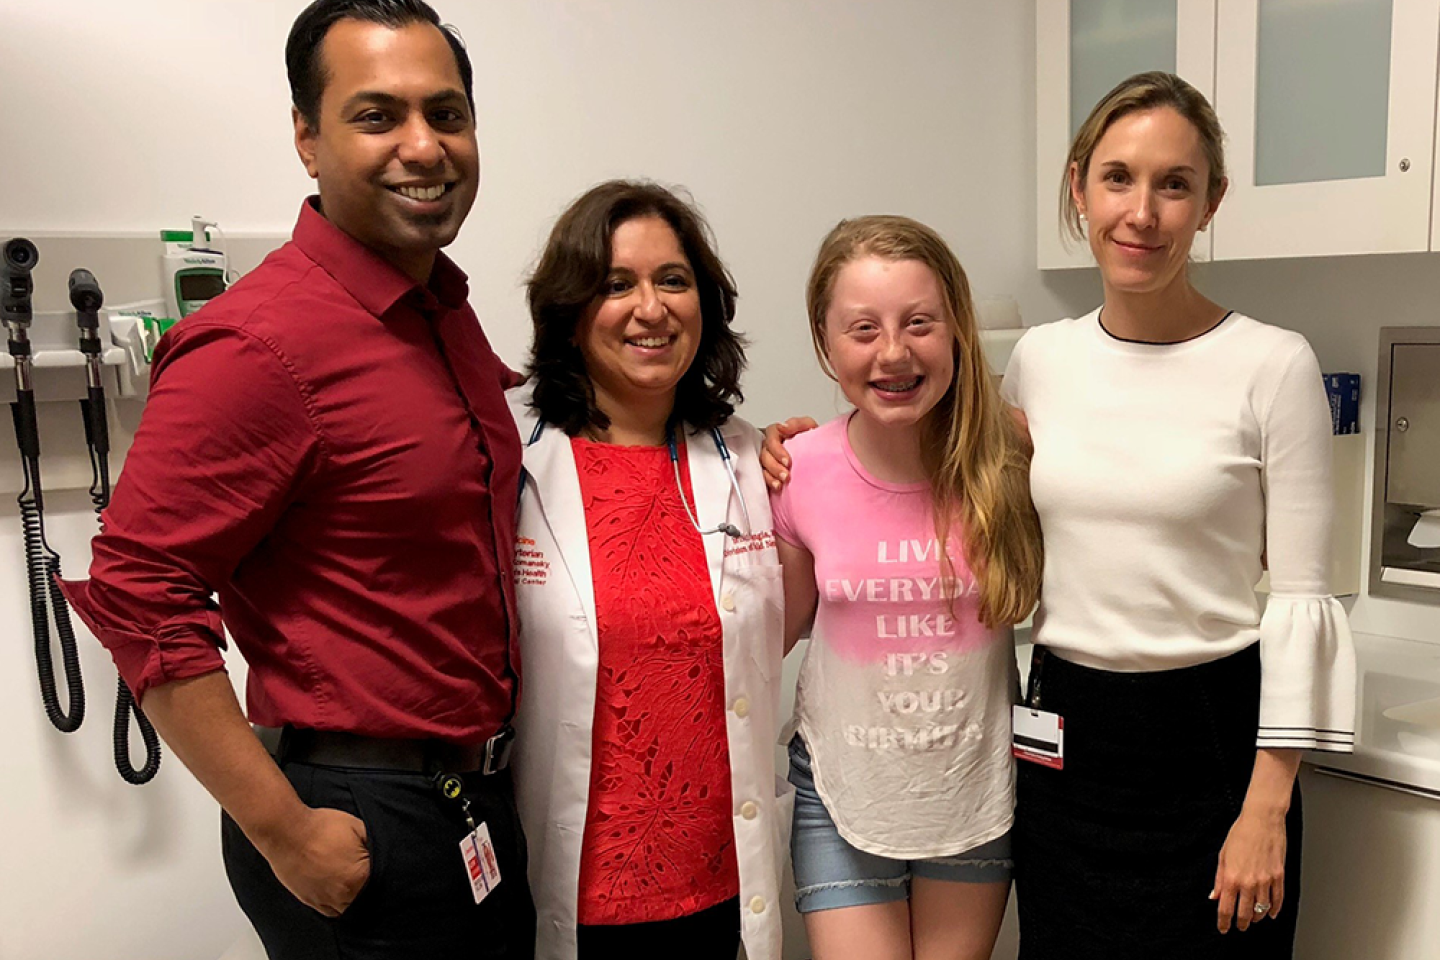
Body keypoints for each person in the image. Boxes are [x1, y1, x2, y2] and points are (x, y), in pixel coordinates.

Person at [766, 72, 1358, 960]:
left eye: (1175, 184)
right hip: (1064, 743)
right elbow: (926, 447)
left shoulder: (1273, 365)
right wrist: (785, 450)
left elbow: (1306, 599)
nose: (1143, 212)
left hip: (1212, 743)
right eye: (1118, 178)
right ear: (1079, 188)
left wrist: (1266, 808)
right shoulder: (1042, 361)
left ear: (1211, 201)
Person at [57, 2, 536, 957]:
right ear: (307, 139)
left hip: (468, 796)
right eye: (377, 116)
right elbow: (139, 589)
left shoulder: (440, 313)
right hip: (363, 814)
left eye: (447, 114)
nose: (423, 145)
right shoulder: (257, 345)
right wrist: (285, 833)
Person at [509, 180, 789, 960]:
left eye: (673, 280)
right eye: (614, 284)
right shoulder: (514, 470)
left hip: (722, 885)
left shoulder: (747, 459)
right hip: (576, 895)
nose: (652, 307)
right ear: (570, 311)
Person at [770, 215, 1043, 960]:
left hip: (973, 791)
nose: (893, 352)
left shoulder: (1015, 453)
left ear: (955, 330)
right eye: (863, 329)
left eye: (919, 323)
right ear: (827, 344)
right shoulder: (799, 468)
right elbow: (778, 629)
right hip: (841, 793)